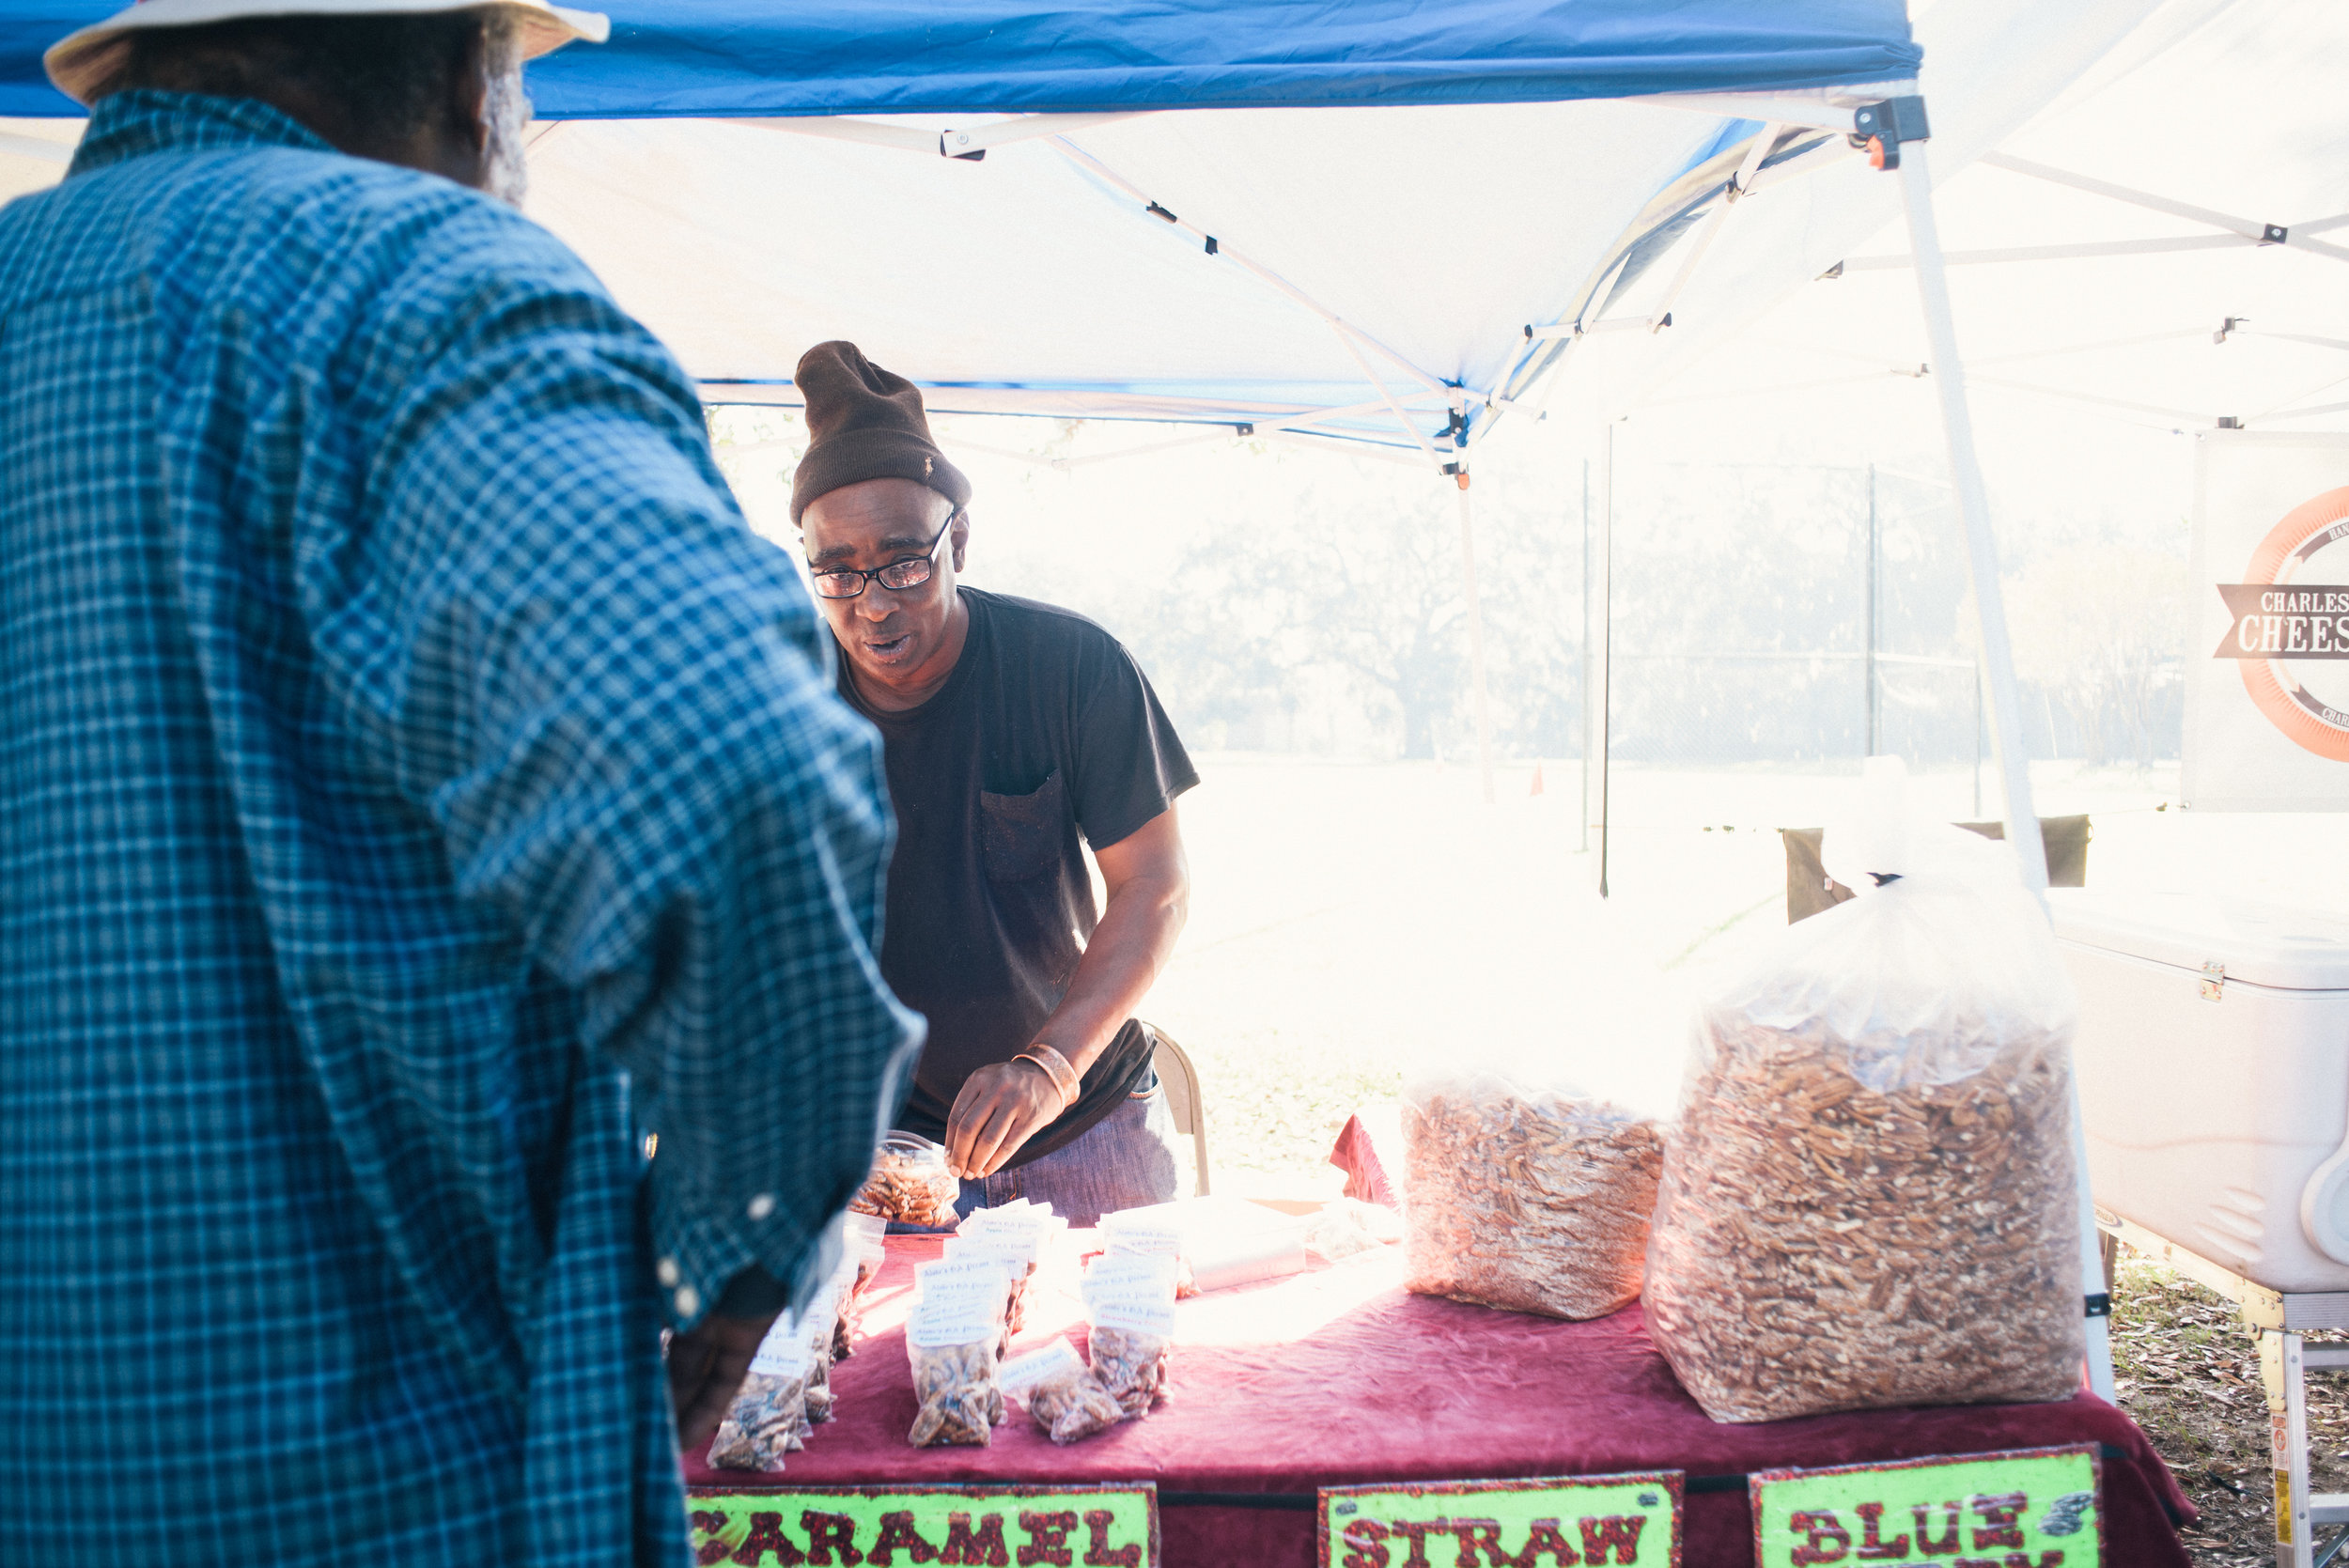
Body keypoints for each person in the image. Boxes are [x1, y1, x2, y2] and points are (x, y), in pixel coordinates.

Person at [3, 7, 923, 1565]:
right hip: (385, 1481)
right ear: (461, 78)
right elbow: (738, 774)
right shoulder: (409, 279)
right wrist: (747, 1243)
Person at [791, 342, 1199, 1227]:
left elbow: (1155, 884)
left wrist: (1048, 1066)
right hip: (883, 1160)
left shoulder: (1072, 668)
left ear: (959, 542)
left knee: (1128, 1364)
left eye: (904, 563)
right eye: (836, 571)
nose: (871, 604)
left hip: (1085, 1130)